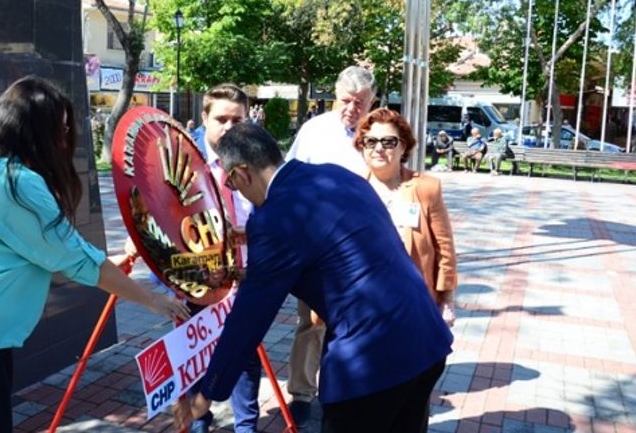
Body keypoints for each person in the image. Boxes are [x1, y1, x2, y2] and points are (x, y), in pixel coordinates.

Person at [0, 76, 189, 433]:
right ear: (37, 130)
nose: (65, 140)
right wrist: (154, 301)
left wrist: (114, 265)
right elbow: (76, 260)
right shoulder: (15, 183)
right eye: (61, 129)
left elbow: (56, 255)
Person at [174, 123, 453, 433]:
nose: (236, 190)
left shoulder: (274, 219)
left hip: (372, 362)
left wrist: (206, 395)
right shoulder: (336, 175)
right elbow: (341, 249)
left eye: (232, 183)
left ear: (241, 173)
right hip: (426, 338)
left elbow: (248, 321)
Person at [283, 65, 375, 426]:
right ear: (335, 97)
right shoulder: (314, 130)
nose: (353, 108)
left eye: (361, 102)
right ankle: (303, 393)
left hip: (364, 248)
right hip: (317, 245)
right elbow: (288, 178)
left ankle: (344, 390)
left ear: (373, 101)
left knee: (356, 326)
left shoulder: (379, 132)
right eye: (346, 100)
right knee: (312, 323)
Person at [189, 84, 261, 433]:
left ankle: (246, 425)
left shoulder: (254, 159)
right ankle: (199, 419)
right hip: (195, 279)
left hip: (243, 275)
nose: (230, 127)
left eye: (238, 119)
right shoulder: (182, 161)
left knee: (245, 353)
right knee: (195, 353)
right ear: (204, 118)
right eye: (221, 119)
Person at [354, 109, 457, 326]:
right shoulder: (352, 190)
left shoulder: (426, 188)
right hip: (365, 305)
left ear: (403, 146)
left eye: (388, 141)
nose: (379, 148)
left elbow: (444, 248)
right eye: (370, 141)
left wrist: (446, 299)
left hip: (413, 303)